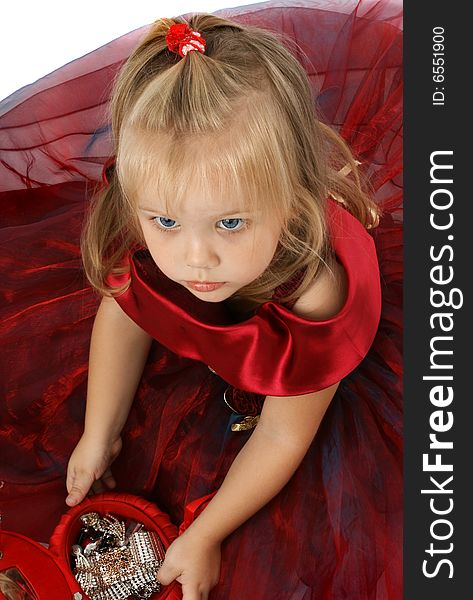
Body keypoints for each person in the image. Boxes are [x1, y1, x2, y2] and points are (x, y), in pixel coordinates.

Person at [0, 2, 402, 599]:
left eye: (231, 223)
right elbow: (127, 313)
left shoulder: (320, 291)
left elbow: (282, 436)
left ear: (292, 203)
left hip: (290, 398)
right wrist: (99, 430)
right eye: (165, 220)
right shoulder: (151, 228)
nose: (196, 259)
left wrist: (205, 534)